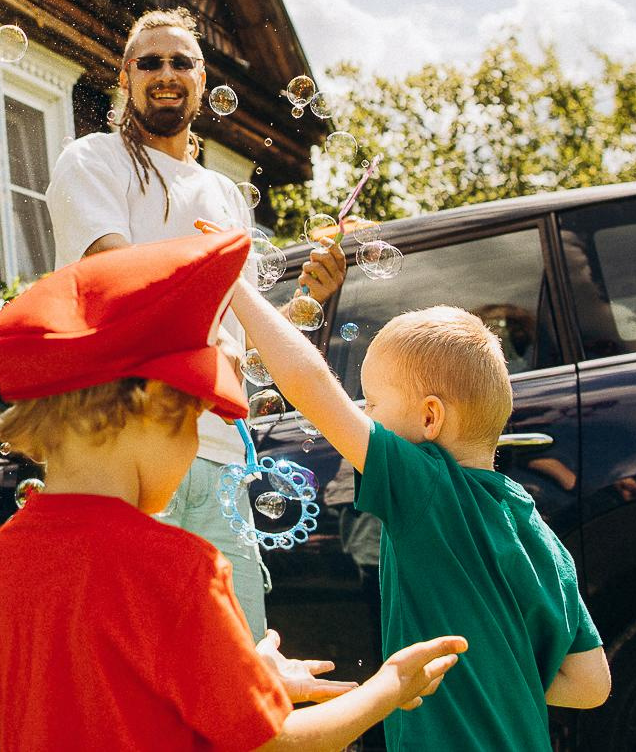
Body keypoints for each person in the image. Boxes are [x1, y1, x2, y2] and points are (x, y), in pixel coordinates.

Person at [0, 229, 468, 752]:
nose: (193, 451)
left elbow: (104, 695)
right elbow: (276, 742)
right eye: (195, 424)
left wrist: (244, 676)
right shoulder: (176, 567)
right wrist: (390, 686)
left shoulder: (2, 559)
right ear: (149, 407)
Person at [45, 7, 346, 638]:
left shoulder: (226, 195)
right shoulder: (92, 160)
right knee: (139, 669)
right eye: (148, 61)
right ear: (124, 77)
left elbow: (240, 348)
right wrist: (217, 291)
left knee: (240, 664)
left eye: (181, 61)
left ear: (202, 79)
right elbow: (120, 280)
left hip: (218, 460)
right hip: (121, 446)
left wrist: (304, 306)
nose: (165, 73)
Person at [228, 292, 611, 752]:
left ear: (430, 417)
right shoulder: (534, 530)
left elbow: (310, 385)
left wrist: (238, 286)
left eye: (371, 403)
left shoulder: (427, 489)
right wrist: (495, 675)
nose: (363, 415)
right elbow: (592, 686)